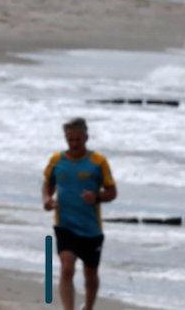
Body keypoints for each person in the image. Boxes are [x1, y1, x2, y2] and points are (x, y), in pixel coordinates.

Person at [43, 117, 117, 310]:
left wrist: (96, 197)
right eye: (70, 140)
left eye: (78, 139)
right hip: (65, 224)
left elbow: (112, 192)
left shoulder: (98, 162)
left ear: (86, 137)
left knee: (90, 273)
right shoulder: (56, 160)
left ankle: (88, 307)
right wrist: (47, 199)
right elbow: (48, 184)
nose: (74, 144)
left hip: (91, 227)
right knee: (67, 267)